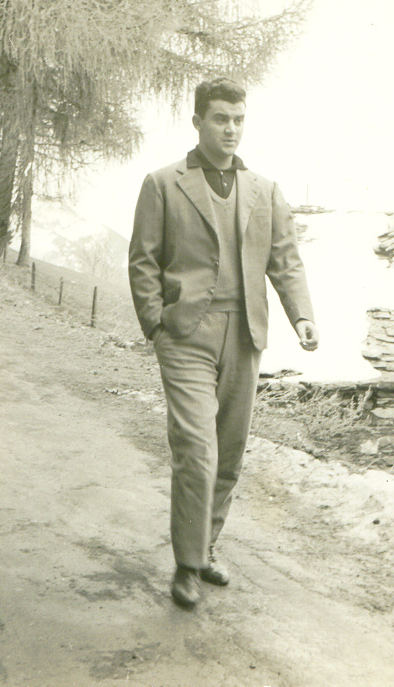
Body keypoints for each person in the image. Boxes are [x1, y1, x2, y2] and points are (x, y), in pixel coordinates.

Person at [128, 77, 318, 608]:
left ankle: (205, 546)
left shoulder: (265, 190)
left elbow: (285, 260)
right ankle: (188, 566)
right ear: (197, 122)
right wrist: (156, 324)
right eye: (220, 119)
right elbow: (143, 260)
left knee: (229, 452)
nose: (230, 129)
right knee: (196, 448)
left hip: (246, 334)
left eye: (238, 120)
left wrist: (302, 315)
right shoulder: (163, 184)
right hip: (187, 334)